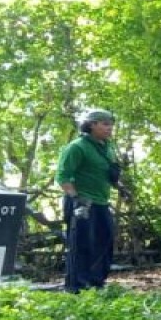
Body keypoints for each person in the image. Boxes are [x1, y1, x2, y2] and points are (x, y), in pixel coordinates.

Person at [56, 109, 121, 292]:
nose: (109, 128)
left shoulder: (107, 147)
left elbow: (105, 174)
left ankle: (96, 283)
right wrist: (76, 199)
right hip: (82, 202)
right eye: (105, 124)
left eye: (111, 125)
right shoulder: (77, 147)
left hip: (101, 202)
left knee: (105, 242)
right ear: (92, 125)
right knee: (81, 244)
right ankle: (76, 287)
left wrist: (118, 184)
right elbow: (63, 176)